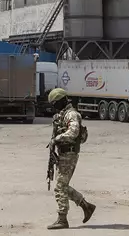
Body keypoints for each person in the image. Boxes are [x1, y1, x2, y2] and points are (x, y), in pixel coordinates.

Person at [46, 88, 96, 230]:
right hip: (64, 154)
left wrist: (56, 139)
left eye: (55, 103)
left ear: (62, 100)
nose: (54, 106)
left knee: (60, 187)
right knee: (62, 186)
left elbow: (73, 132)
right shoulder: (63, 114)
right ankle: (86, 206)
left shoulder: (72, 114)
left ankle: (62, 219)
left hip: (69, 154)